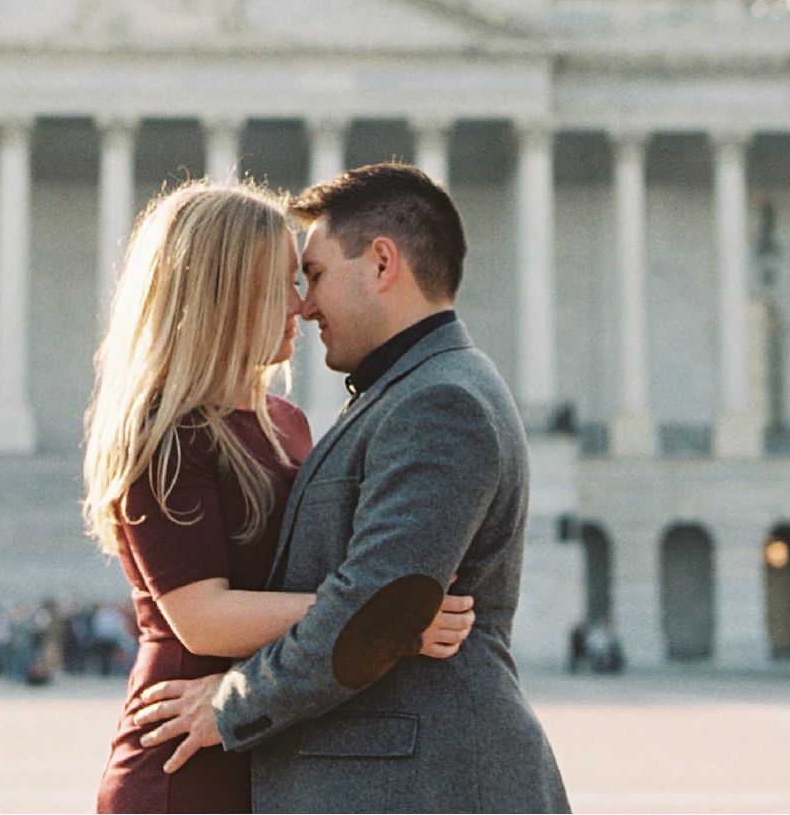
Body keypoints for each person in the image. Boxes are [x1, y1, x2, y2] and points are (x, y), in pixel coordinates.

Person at [130, 161, 571, 813]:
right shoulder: (406, 392)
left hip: (419, 780)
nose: (304, 305)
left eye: (314, 275)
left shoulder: (440, 400)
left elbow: (383, 604)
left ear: (382, 264)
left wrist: (231, 703)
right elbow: (384, 608)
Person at [87, 179, 475, 814]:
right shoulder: (169, 430)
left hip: (260, 740)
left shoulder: (286, 422)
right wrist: (388, 618)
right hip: (183, 757)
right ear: (224, 296)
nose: (302, 306)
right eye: (281, 287)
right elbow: (202, 617)